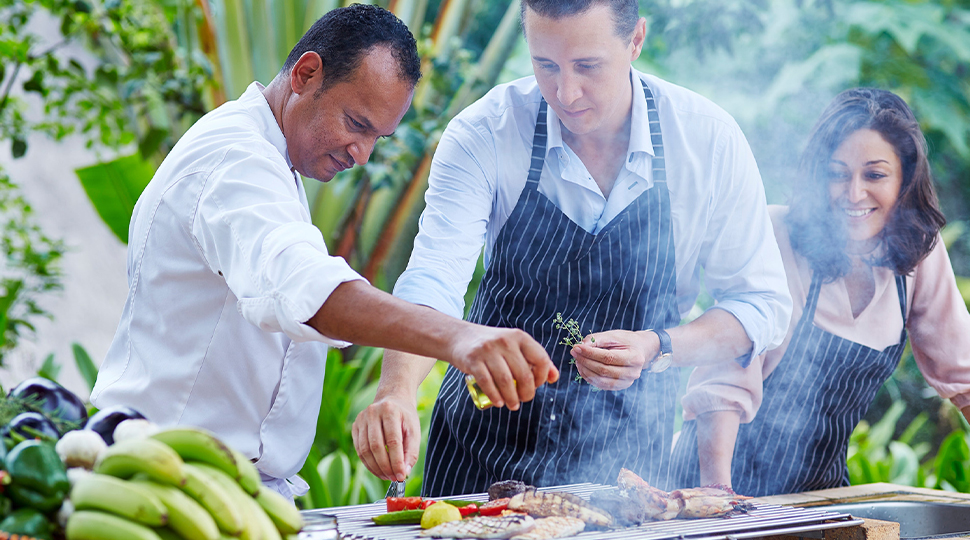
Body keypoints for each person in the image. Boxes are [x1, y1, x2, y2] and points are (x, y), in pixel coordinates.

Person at [91, 4, 558, 499]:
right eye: (356, 123)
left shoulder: (272, 158)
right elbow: (309, 291)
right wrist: (460, 339)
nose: (362, 154)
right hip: (159, 476)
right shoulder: (233, 160)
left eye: (377, 137)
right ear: (306, 73)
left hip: (225, 485)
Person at [352, 0, 792, 497]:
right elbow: (434, 278)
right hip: (480, 452)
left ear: (636, 40)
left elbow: (761, 305)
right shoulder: (486, 131)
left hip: (626, 467)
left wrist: (658, 346)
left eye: (587, 66)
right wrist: (397, 390)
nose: (566, 93)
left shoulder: (706, 141)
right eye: (545, 65)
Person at [670, 88, 970, 497]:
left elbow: (963, 373)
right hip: (715, 482)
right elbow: (724, 381)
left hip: (819, 494)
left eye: (875, 175)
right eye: (837, 173)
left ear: (905, 180)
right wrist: (718, 498)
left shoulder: (919, 252)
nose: (853, 193)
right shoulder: (776, 233)